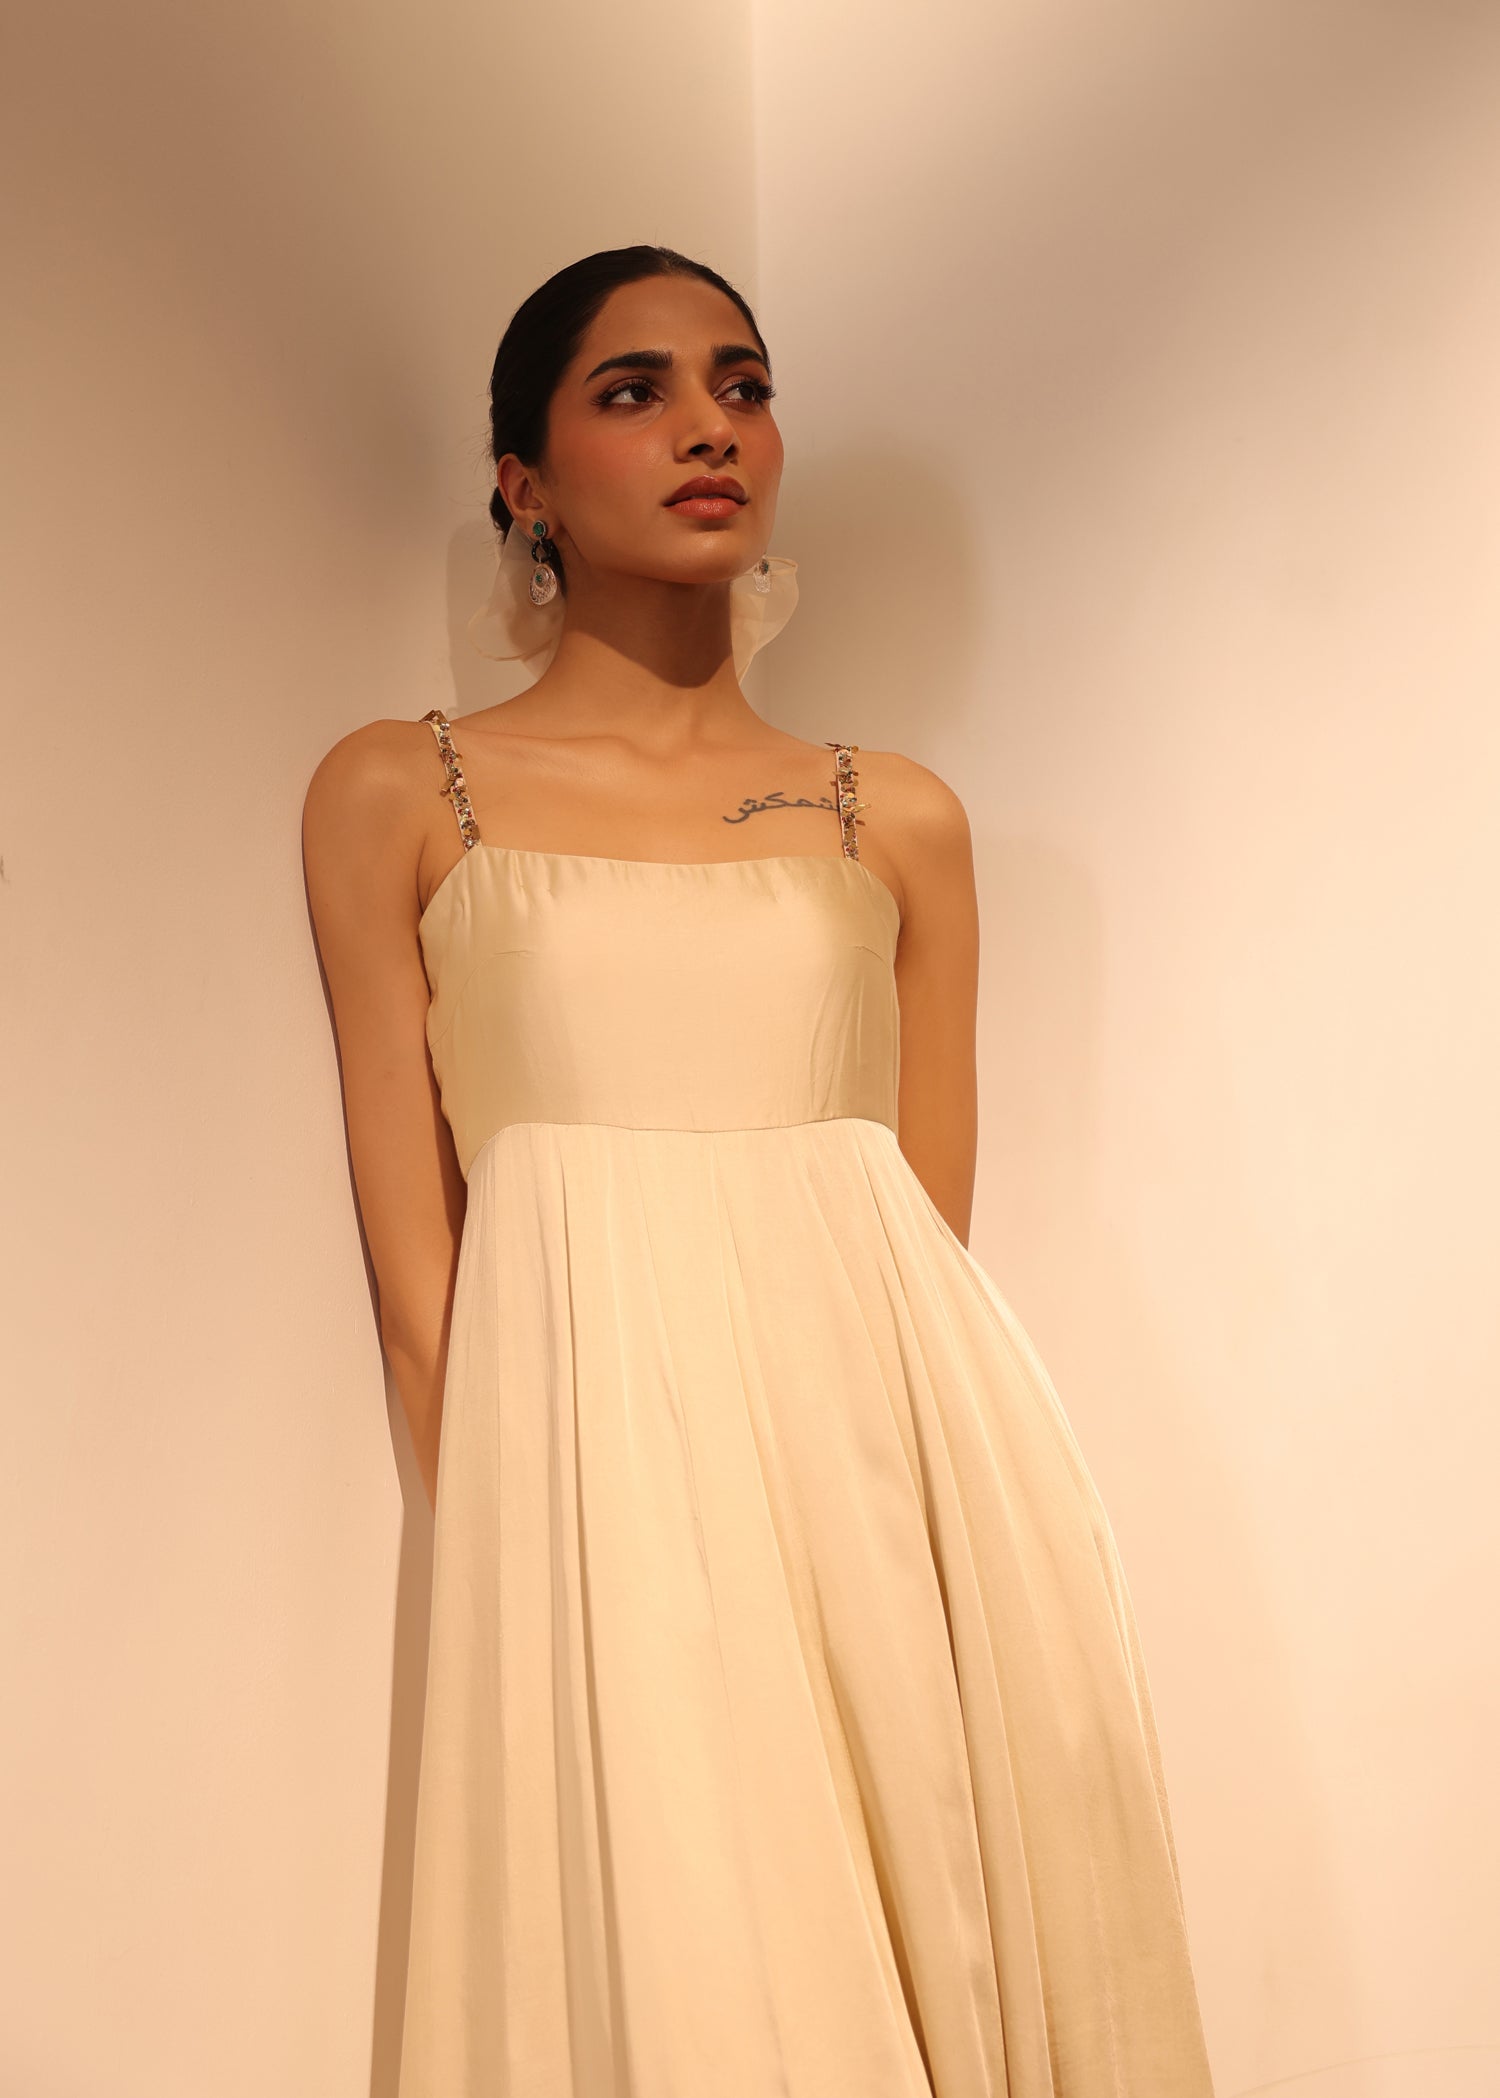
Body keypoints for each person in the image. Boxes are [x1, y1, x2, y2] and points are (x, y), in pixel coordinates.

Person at [302, 245, 1216, 2097]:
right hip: (592, 1507)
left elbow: (920, 1258)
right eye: (633, 390)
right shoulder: (400, 792)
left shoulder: (901, 819)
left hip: (890, 1507)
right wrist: (543, 1554)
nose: (710, 426)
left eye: (742, 384)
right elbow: (424, 1297)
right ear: (524, 480)